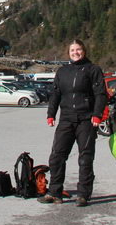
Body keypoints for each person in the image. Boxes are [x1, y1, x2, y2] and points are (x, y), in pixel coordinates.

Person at [38, 39, 106, 207]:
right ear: (68, 53)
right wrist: (50, 114)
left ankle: (83, 195)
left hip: (86, 119)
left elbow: (101, 94)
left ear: (84, 50)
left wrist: (97, 115)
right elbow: (56, 94)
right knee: (56, 157)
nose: (76, 52)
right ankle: (55, 193)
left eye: (78, 49)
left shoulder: (93, 70)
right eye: (72, 50)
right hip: (66, 119)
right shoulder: (63, 71)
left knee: (85, 158)